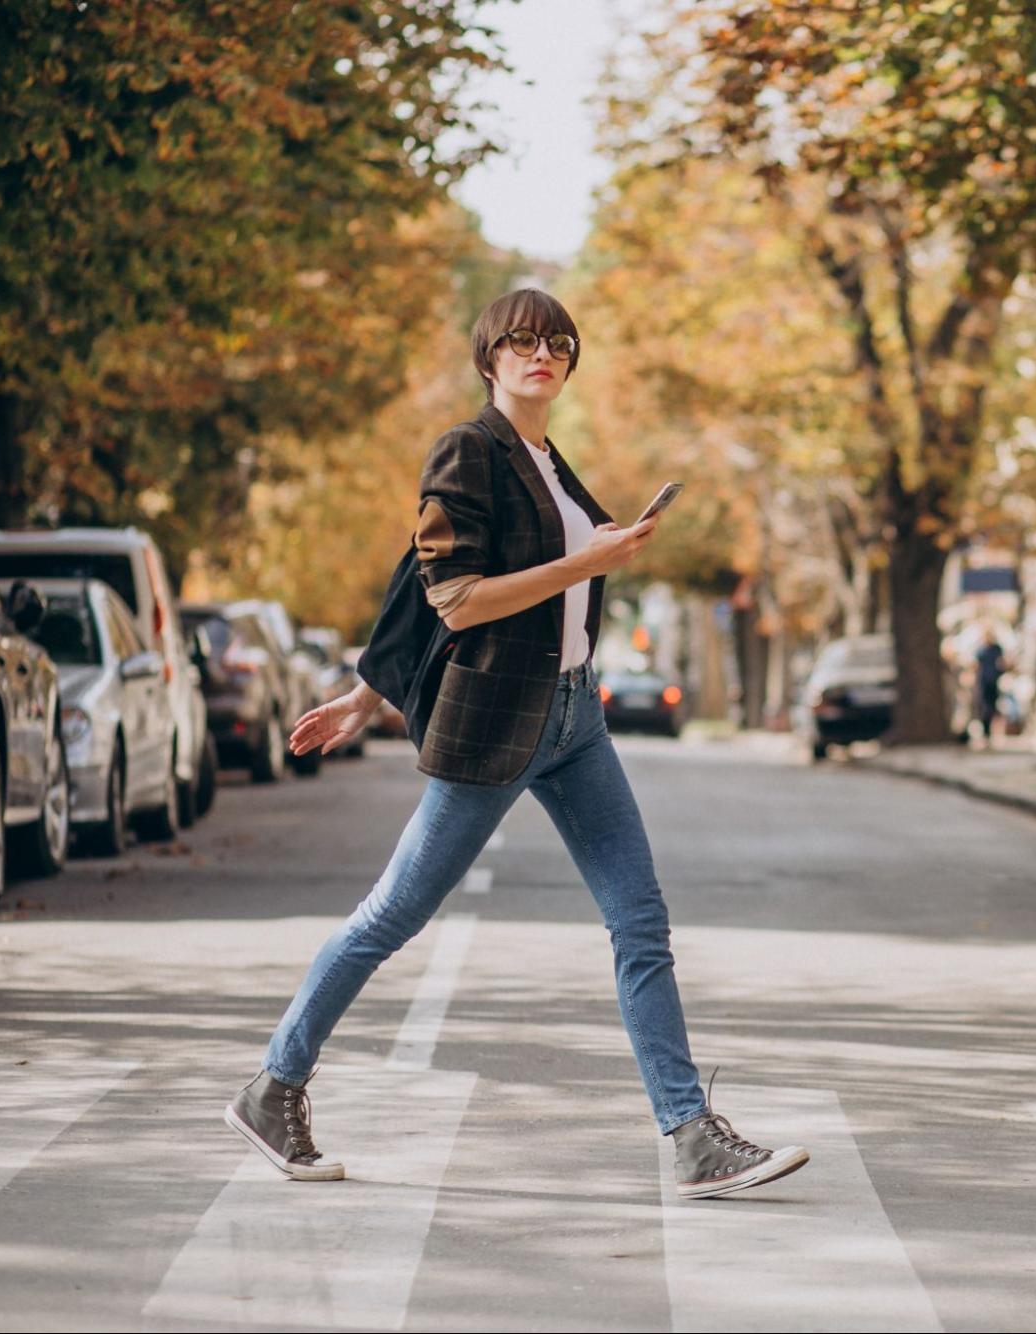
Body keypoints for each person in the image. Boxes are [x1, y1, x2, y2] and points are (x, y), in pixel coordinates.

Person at [224, 289, 809, 1200]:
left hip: (575, 720)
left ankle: (690, 1136)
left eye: (558, 343)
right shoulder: (468, 449)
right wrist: (586, 563)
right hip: (498, 722)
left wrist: (365, 689)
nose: (542, 354)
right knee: (391, 917)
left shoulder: (546, 462)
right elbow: (449, 593)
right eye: (523, 341)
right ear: (490, 358)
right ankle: (274, 1086)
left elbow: (405, 583)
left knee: (639, 921)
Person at [971, 631, 1007, 747]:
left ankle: (993, 733)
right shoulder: (981, 649)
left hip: (993, 681)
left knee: (992, 707)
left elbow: (1002, 663)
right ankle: (986, 733)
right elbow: (976, 664)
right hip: (984, 682)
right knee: (985, 708)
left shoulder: (996, 649)